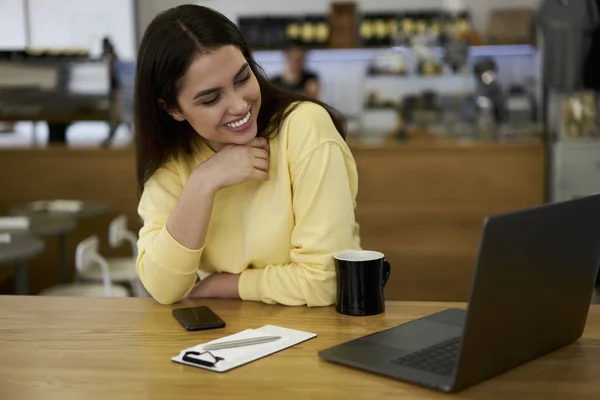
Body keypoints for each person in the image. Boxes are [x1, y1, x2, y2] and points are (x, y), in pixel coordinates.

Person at [135, 5, 360, 306]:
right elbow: (163, 288)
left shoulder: (304, 127)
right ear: (173, 109)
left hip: (314, 332)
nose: (240, 106)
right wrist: (202, 183)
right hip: (221, 339)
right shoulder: (173, 159)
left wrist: (222, 285)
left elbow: (326, 282)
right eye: (211, 98)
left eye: (243, 78)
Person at [100, 36, 123, 148]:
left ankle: (110, 138)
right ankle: (110, 138)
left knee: (117, 116)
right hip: (112, 91)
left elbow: (115, 74)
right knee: (114, 117)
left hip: (116, 91)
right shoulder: (108, 56)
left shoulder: (113, 56)